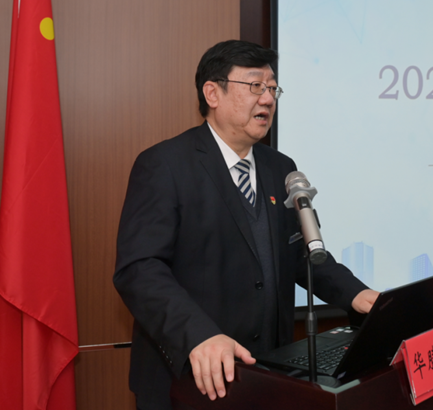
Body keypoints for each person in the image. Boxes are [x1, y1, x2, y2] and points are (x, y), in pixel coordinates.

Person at [113, 40, 379, 410]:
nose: (267, 99)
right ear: (212, 93)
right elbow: (139, 270)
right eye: (255, 86)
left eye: (273, 89)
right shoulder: (165, 165)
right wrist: (198, 335)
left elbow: (301, 253)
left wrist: (356, 294)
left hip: (267, 374)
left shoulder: (280, 167)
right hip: (189, 380)